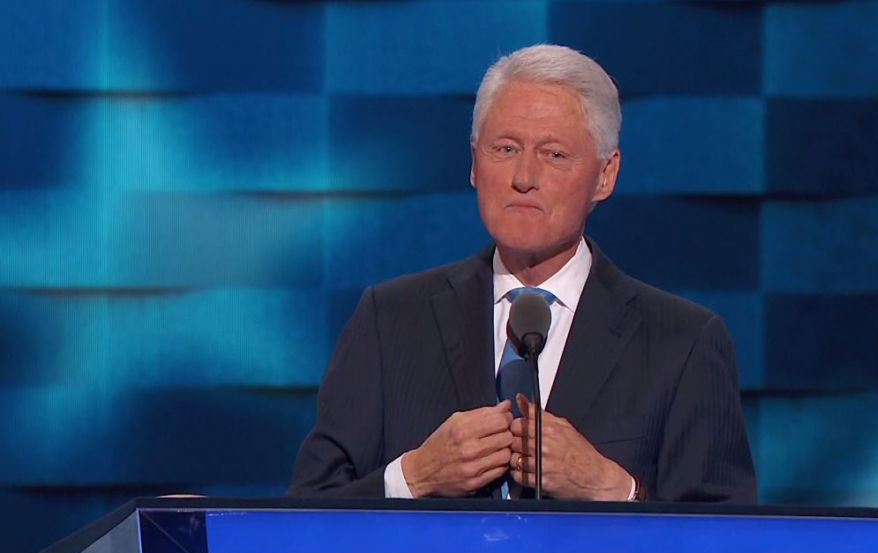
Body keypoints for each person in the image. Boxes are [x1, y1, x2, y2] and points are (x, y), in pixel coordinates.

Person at [287, 44, 756, 503]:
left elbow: (729, 542)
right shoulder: (388, 321)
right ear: (474, 163)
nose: (524, 176)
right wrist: (414, 477)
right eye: (505, 148)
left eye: (554, 154)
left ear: (605, 176)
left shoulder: (684, 343)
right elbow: (302, 518)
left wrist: (613, 490)